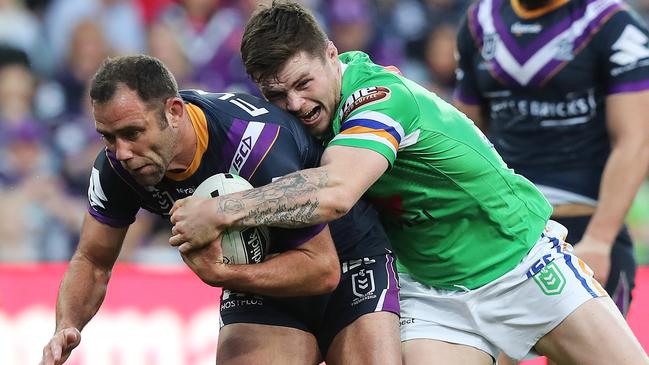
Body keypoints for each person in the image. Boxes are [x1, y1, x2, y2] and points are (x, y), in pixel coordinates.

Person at [168, 2, 649, 364]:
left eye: (303, 83)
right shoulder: (295, 122)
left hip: (518, 263)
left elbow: (335, 192)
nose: (294, 103)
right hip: (431, 295)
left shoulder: (380, 97)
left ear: (332, 56)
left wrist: (224, 211)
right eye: (277, 94)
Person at [39, 55, 401, 365]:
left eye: (133, 133)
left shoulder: (256, 142)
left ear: (174, 112)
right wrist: (66, 325)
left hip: (347, 257)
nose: (121, 152)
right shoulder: (116, 168)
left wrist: (222, 273)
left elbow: (323, 270)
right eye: (107, 136)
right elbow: (92, 259)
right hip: (264, 279)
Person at [453, 0, 649, 363]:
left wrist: (600, 240)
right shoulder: (479, 21)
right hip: (502, 231)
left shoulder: (611, 23)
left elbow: (636, 141)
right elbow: (462, 133)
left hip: (584, 224)